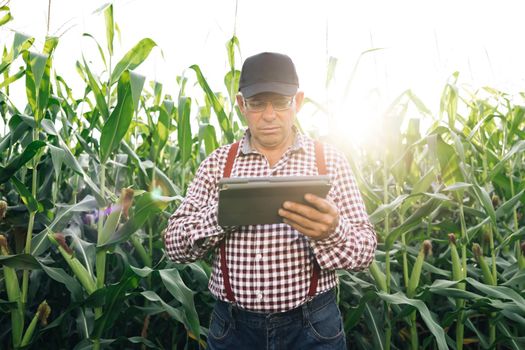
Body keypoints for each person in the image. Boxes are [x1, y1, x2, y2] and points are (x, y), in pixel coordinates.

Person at [164, 52, 377, 349]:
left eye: (280, 102)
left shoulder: (329, 161)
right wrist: (222, 215)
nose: (269, 114)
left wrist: (332, 230)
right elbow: (174, 245)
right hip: (234, 330)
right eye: (256, 103)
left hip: (313, 327)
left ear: (298, 102)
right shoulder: (217, 165)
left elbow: (365, 250)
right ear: (241, 104)